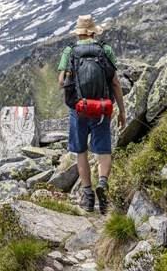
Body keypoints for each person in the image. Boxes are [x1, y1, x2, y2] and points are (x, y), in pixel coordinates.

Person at [58, 14, 126, 214]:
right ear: (94, 31)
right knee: (103, 151)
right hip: (102, 108)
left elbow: (62, 81)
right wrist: (122, 111)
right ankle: (103, 183)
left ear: (78, 33)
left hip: (79, 109)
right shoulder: (105, 50)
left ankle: (88, 197)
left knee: (81, 151)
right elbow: (115, 82)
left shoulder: (70, 51)